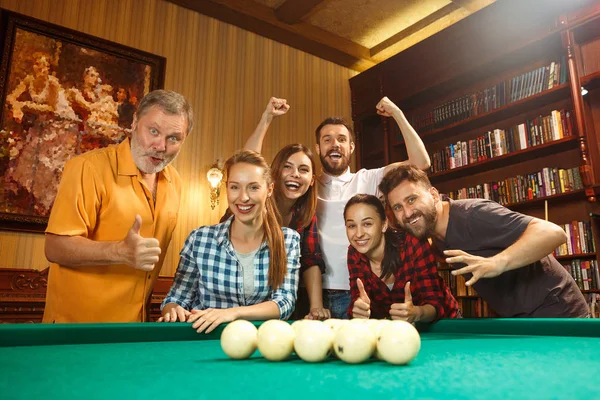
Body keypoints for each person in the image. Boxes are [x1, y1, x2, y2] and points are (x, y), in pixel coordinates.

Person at [42, 89, 194, 323]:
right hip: (75, 330)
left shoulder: (176, 183)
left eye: (173, 138)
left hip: (133, 330)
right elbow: (55, 247)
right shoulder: (87, 168)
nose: (160, 145)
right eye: (153, 131)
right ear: (134, 122)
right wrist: (120, 252)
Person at [378, 164, 590, 318]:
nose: (407, 212)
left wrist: (495, 263)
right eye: (398, 207)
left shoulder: (474, 215)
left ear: (433, 195)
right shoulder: (433, 235)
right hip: (521, 321)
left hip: (559, 314)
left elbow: (553, 232)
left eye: (412, 199)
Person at [159, 150, 300, 333]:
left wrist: (231, 314)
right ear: (226, 188)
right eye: (235, 187)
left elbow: (285, 303)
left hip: (261, 345)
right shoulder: (199, 239)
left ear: (270, 190)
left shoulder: (288, 240)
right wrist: (173, 310)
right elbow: (176, 299)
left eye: (253, 187)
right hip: (202, 343)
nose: (243, 197)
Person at [315, 97, 431, 318]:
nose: (335, 144)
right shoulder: (306, 185)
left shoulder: (368, 178)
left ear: (351, 146)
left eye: (341, 139)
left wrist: (397, 113)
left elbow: (420, 163)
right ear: (318, 147)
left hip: (357, 295)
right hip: (312, 295)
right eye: (327, 139)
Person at [242, 98, 330, 320]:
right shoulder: (255, 201)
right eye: (287, 167)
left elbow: (311, 260)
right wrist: (267, 117)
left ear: (311, 181)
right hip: (241, 296)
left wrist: (316, 308)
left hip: (284, 301)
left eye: (303, 170)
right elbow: (247, 164)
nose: (295, 174)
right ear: (275, 174)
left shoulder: (306, 217)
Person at [344, 194, 460, 321]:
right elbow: (357, 300)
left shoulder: (413, 243)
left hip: (441, 325)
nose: (359, 234)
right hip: (397, 332)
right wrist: (358, 310)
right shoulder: (353, 253)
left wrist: (416, 312)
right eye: (351, 226)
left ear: (384, 224)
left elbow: (435, 303)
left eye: (367, 224)